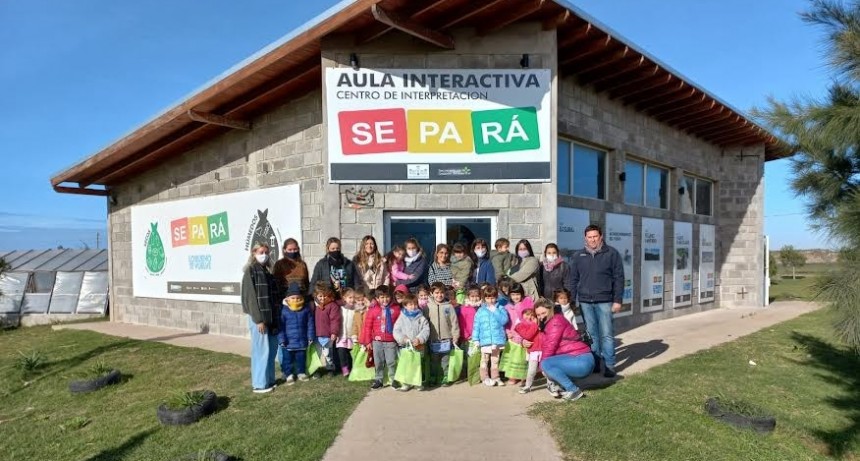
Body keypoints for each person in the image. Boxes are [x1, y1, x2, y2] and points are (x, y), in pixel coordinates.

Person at [569, 224, 624, 378]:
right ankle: (594, 363)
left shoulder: (611, 253)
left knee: (606, 334)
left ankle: (609, 365)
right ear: (585, 238)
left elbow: (619, 278)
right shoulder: (578, 256)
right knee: (591, 334)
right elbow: (573, 280)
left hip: (605, 300)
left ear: (601, 236)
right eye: (589, 237)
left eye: (595, 236)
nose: (592, 239)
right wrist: (572, 301)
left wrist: (617, 300)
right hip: (585, 301)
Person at [530, 299, 593, 401]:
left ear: (551, 310)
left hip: (581, 361)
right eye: (538, 314)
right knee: (548, 363)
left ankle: (573, 390)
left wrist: (543, 368)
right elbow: (545, 343)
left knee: (546, 363)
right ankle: (564, 387)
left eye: (543, 313)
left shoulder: (555, 322)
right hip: (579, 359)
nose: (541, 317)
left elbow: (550, 347)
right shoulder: (550, 321)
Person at [241, 242, 280, 393]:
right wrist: (258, 320)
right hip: (259, 319)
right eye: (260, 252)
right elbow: (250, 298)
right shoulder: (250, 271)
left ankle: (269, 380)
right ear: (254, 253)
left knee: (270, 351)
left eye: (266, 252)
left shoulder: (267, 272)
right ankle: (259, 384)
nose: (264, 255)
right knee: (260, 351)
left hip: (270, 318)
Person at [361, 285, 401, 390]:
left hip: (391, 341)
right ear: (377, 299)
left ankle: (393, 379)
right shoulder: (373, 310)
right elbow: (367, 327)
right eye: (382, 297)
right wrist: (368, 341)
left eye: (387, 296)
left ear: (390, 297)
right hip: (377, 342)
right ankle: (379, 379)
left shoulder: (396, 309)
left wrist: (400, 338)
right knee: (378, 362)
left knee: (391, 361)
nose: (385, 299)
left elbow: (400, 324)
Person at [471, 286, 509, 387]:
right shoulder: (480, 311)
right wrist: (475, 339)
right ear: (484, 298)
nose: (490, 300)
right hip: (485, 341)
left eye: (492, 297)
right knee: (484, 360)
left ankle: (496, 377)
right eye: (488, 298)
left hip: (497, 340)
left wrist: (495, 310)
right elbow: (476, 326)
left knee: (495, 360)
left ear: (496, 297)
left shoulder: (500, 308)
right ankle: (485, 378)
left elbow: (504, 321)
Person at [277, 282, 315, 384]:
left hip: (302, 341)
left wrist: (310, 336)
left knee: (301, 359)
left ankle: (301, 372)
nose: (295, 300)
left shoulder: (306, 310)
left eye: (298, 298)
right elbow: (280, 327)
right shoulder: (284, 311)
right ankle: (288, 374)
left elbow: (310, 324)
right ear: (288, 299)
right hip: (288, 342)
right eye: (293, 298)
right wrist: (281, 339)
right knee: (287, 360)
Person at [425, 282, 460, 386]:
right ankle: (433, 377)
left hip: (446, 338)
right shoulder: (427, 307)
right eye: (436, 293)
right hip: (433, 339)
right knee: (434, 361)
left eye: (441, 293)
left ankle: (445, 377)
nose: (439, 295)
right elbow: (424, 322)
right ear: (431, 293)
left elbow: (454, 323)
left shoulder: (449, 306)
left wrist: (455, 336)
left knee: (445, 360)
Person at [392, 293, 430, 392]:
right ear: (405, 306)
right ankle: (406, 383)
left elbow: (426, 330)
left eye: (415, 304)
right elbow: (396, 330)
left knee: (417, 365)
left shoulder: (421, 318)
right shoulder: (401, 317)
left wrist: (420, 339)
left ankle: (417, 382)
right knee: (406, 365)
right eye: (410, 304)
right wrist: (403, 338)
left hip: (418, 346)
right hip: (405, 346)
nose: (413, 307)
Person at [501, 283, 532, 386]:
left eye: (518, 294)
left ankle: (523, 377)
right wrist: (508, 332)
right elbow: (506, 323)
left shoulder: (527, 304)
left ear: (522, 294)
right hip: (512, 336)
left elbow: (530, 319)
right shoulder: (507, 307)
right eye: (513, 294)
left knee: (522, 359)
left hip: (523, 336)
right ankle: (512, 377)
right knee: (512, 358)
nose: (515, 297)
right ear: (509, 295)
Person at [312, 282, 343, 378]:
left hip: (327, 335)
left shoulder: (332, 306)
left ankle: (330, 369)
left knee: (328, 354)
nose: (322, 298)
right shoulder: (313, 305)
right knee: (317, 354)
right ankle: (317, 370)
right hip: (316, 335)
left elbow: (335, 320)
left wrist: (334, 332)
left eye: (325, 296)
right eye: (320, 296)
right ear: (316, 296)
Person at [514, 308, 542, 394]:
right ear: (522, 315)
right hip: (533, 351)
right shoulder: (520, 325)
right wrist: (535, 325)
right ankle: (527, 386)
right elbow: (527, 336)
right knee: (531, 370)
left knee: (546, 371)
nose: (529, 317)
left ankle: (552, 386)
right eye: (527, 314)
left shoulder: (539, 323)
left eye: (531, 315)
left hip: (543, 350)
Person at [337, 288, 357, 377]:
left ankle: (351, 367)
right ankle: (344, 369)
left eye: (354, 297)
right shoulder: (340, 309)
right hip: (341, 335)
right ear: (344, 298)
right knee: (341, 352)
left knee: (350, 353)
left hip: (351, 336)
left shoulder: (356, 310)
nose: (352, 300)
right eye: (350, 297)